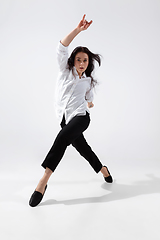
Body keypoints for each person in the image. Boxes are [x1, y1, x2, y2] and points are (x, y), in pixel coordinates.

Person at [29, 14, 113, 207]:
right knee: (84, 150)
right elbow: (61, 47)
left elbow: (89, 100)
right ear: (73, 61)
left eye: (85, 60)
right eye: (78, 59)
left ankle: (43, 181)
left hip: (81, 118)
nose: (82, 63)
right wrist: (78, 30)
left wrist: (90, 104)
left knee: (61, 139)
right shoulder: (64, 72)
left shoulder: (88, 81)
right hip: (65, 120)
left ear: (88, 62)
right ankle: (103, 169)